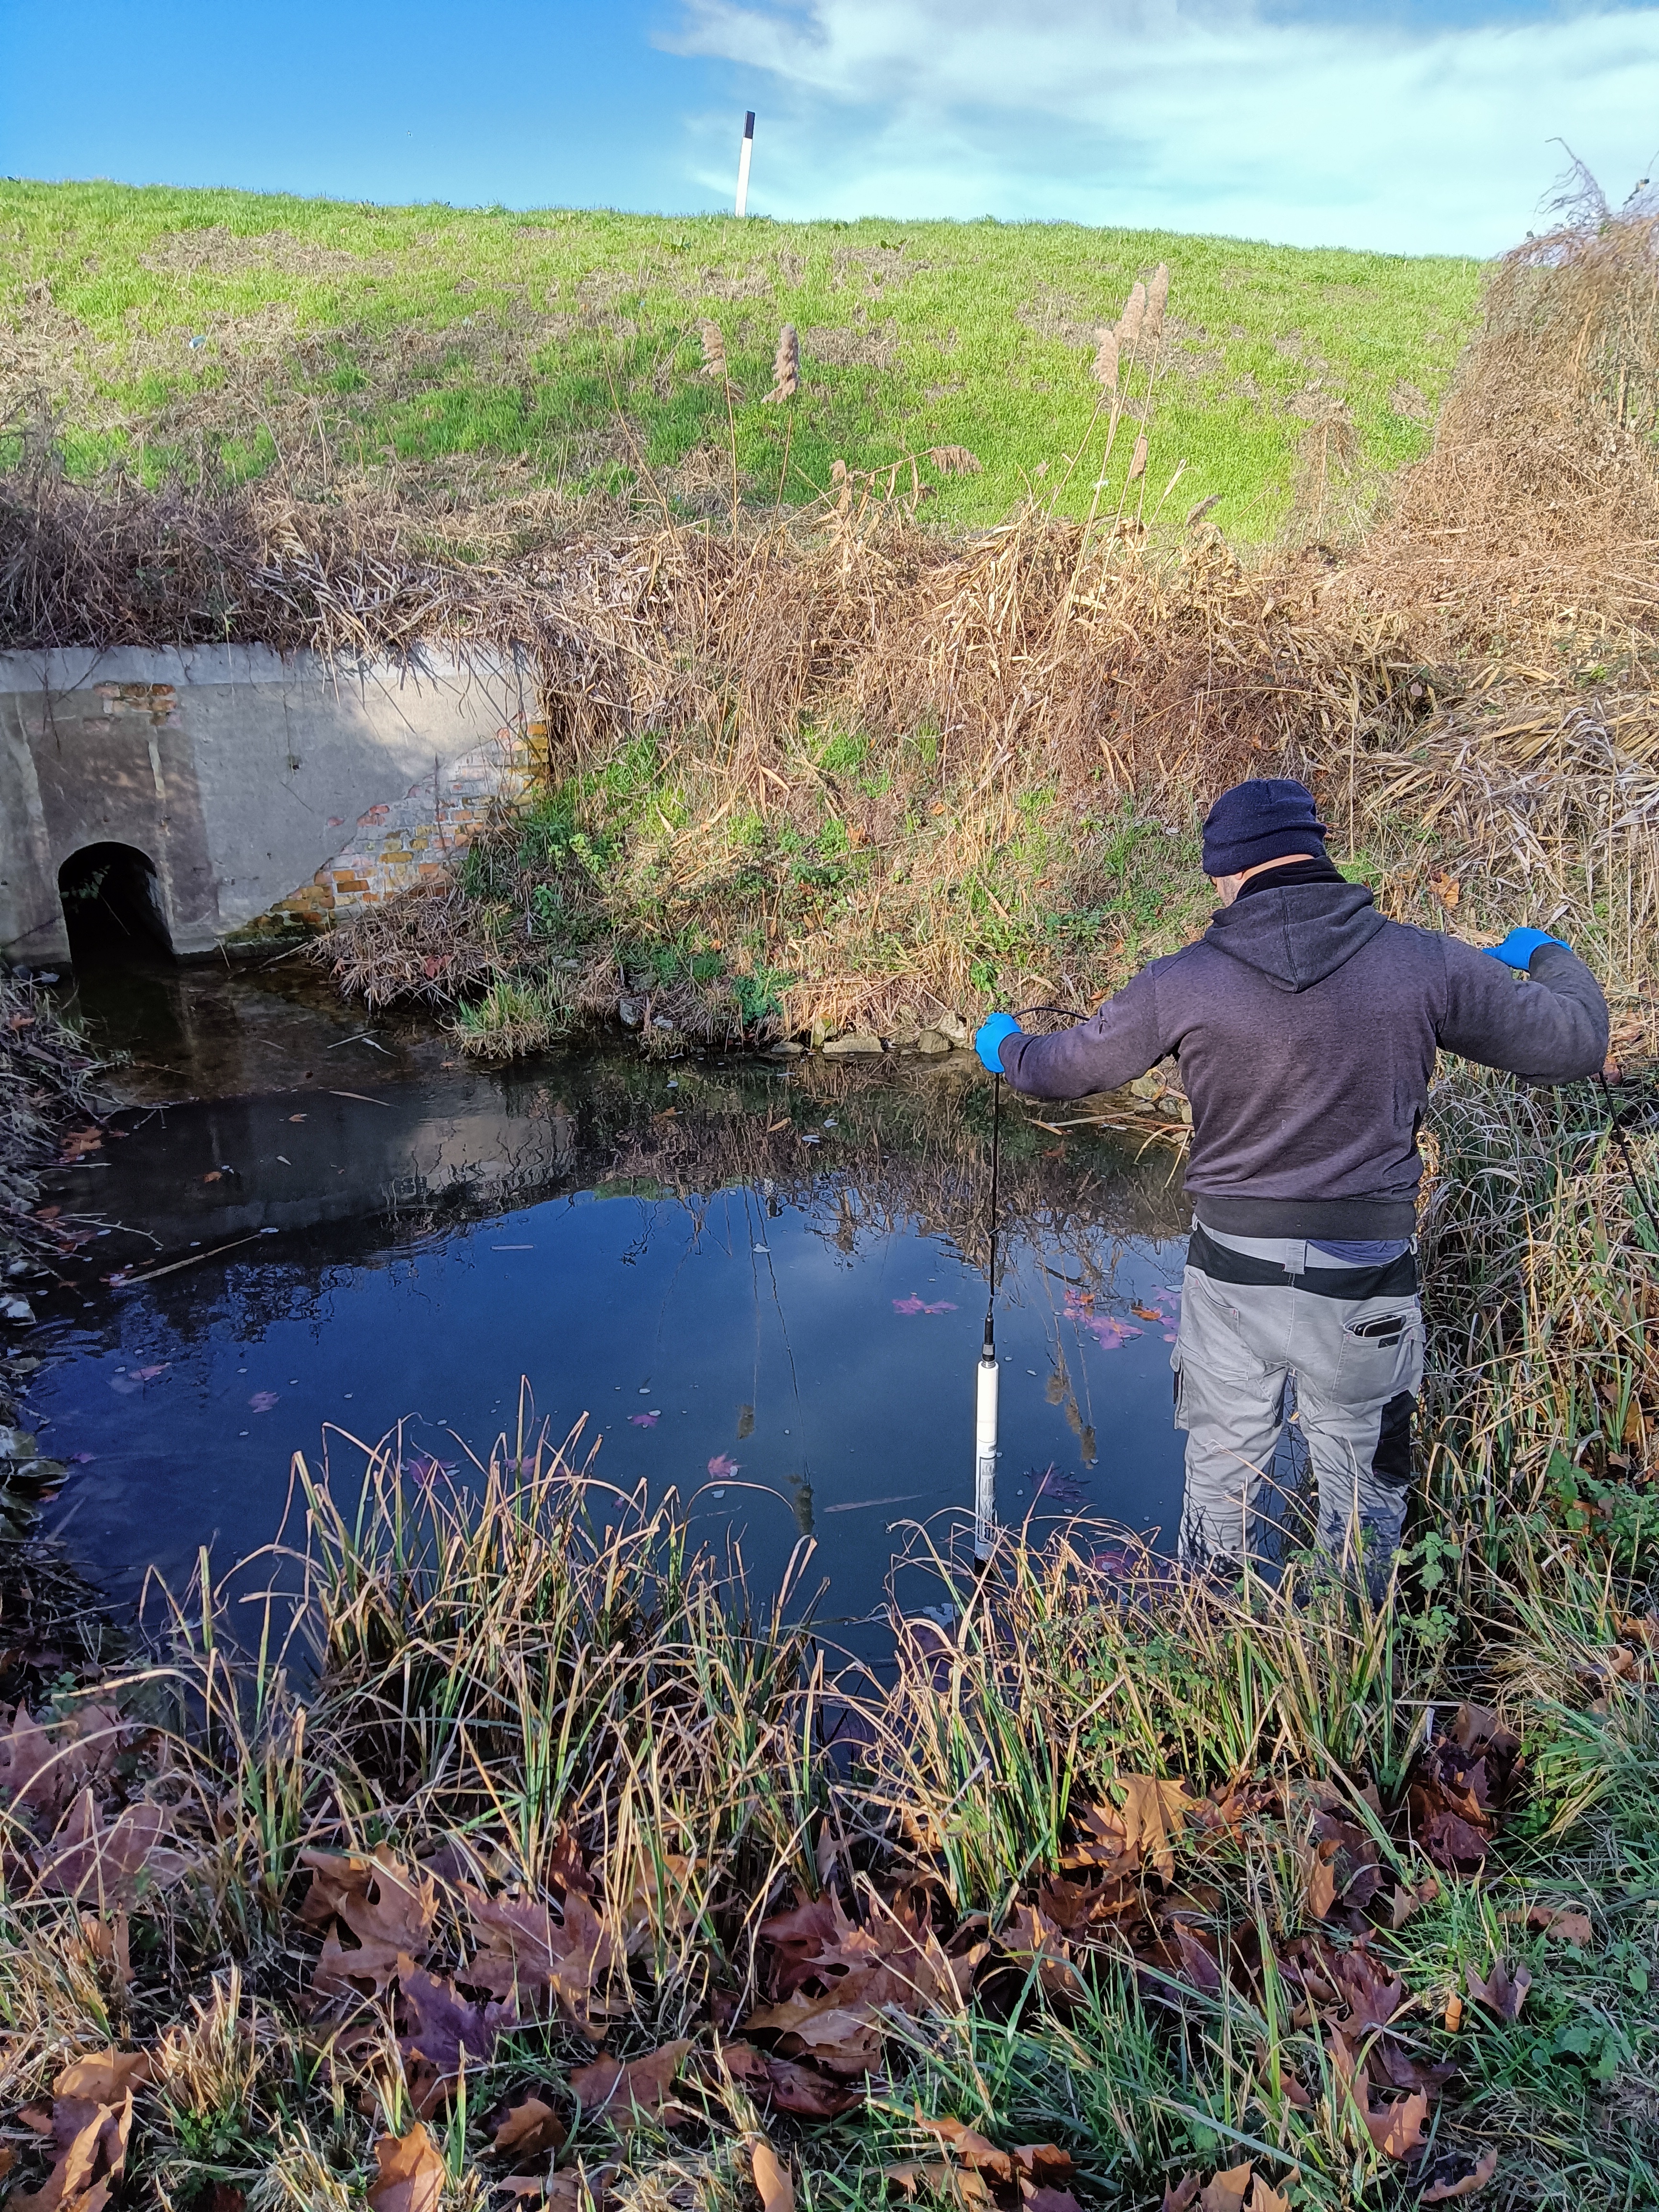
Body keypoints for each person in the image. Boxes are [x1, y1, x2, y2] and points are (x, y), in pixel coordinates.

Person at [973, 777, 1609, 1584]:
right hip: (1366, 1288)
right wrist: (1546, 955)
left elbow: (1068, 1068)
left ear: (1229, 874)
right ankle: (1352, 1659)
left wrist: (1009, 1050)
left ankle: (1218, 1655)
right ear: (1316, 854)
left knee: (1222, 1489)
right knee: (1364, 1502)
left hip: (1232, 1288)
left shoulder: (1184, 981)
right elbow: (1579, 1042)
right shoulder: (1423, 963)